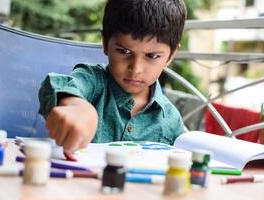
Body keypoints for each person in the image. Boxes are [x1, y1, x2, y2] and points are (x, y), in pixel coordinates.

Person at [39, 0, 187, 158]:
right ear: (104, 42)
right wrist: (74, 104)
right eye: (124, 51)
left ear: (171, 55)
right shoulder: (92, 80)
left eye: (152, 56)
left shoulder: (172, 121)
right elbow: (53, 87)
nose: (136, 69)